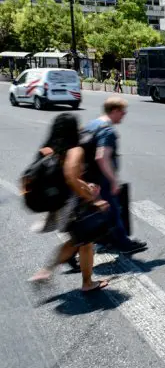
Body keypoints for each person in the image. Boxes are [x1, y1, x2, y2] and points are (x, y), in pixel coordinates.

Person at [28, 113, 110, 291]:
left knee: (79, 241)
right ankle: (85, 283)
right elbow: (71, 177)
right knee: (83, 241)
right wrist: (92, 198)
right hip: (71, 203)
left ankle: (47, 271)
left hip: (59, 202)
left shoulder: (51, 147)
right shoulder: (74, 149)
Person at [83, 97, 147, 254]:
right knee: (113, 211)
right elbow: (102, 157)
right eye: (122, 112)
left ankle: (104, 241)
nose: (124, 115)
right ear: (114, 111)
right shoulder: (107, 130)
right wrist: (113, 180)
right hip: (101, 178)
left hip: (89, 176)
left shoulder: (92, 124)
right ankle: (123, 244)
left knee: (101, 210)